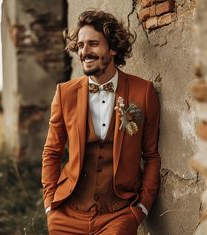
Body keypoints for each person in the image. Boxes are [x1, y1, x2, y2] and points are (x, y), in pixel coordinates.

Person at [42, 9, 160, 235]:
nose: (84, 51)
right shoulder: (64, 93)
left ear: (113, 48)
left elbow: (151, 155)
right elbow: (51, 151)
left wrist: (141, 208)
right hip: (67, 214)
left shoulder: (142, 92)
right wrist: (50, 205)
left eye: (93, 44)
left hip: (118, 216)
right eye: (80, 45)